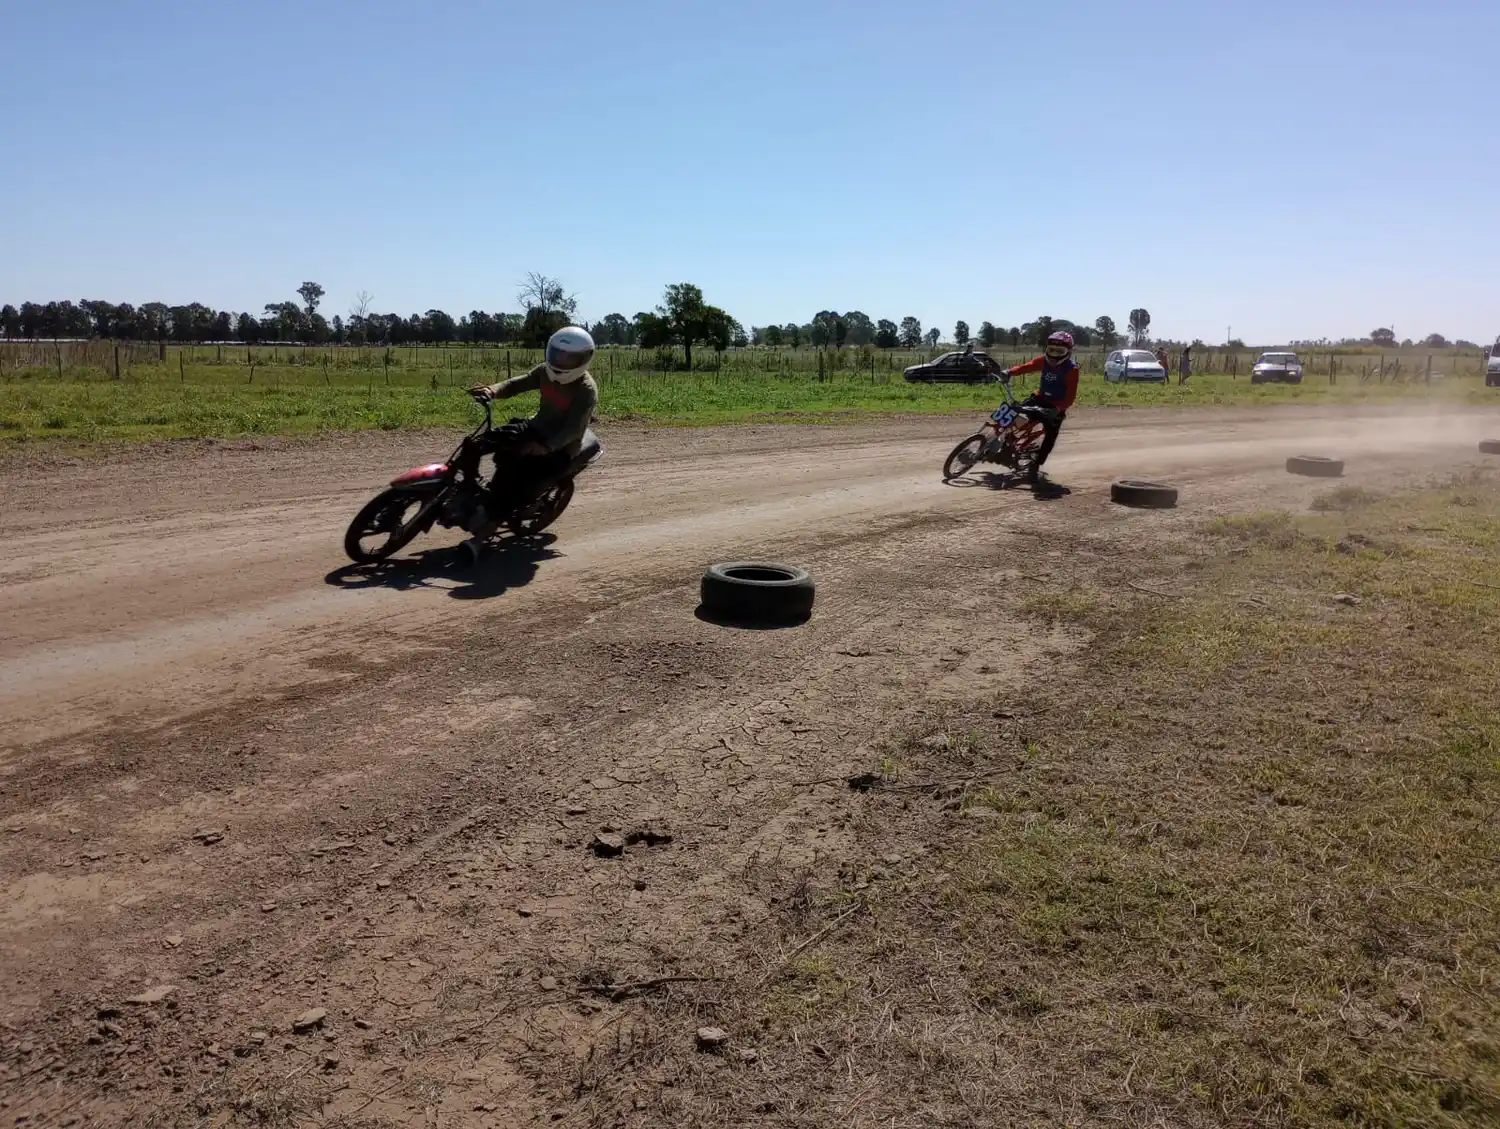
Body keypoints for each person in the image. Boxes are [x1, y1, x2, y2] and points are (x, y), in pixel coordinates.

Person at [461, 325, 598, 561]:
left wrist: (546, 447)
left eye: (569, 357)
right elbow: (517, 383)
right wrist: (492, 390)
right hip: (536, 428)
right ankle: (467, 489)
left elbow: (573, 429)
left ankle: (479, 540)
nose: (561, 361)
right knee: (478, 443)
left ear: (583, 359)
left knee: (513, 482)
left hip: (560, 447)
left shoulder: (586, 390)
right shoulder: (545, 372)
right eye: (558, 354)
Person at [999, 330, 1079, 484]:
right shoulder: (1043, 361)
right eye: (1051, 350)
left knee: (1050, 437)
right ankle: (1003, 443)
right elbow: (1027, 366)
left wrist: (1057, 409)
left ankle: (1035, 466)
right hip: (1039, 398)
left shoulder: (1072, 369)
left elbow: (1070, 397)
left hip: (1056, 406)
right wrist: (1009, 372)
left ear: (1068, 352)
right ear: (1046, 349)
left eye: (1059, 351)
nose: (1054, 355)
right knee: (1015, 415)